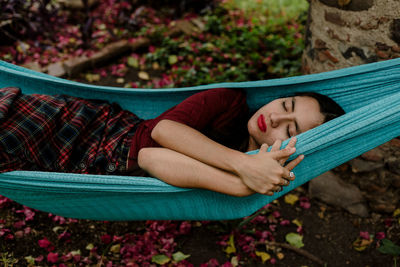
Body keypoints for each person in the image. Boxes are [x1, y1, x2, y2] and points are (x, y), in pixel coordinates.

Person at [0, 87, 344, 197]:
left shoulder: (260, 168)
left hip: (69, 163)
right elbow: (161, 136)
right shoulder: (229, 103)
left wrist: (244, 184)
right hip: (81, 129)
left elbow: (153, 161)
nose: (277, 118)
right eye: (285, 105)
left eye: (292, 130)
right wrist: (243, 170)